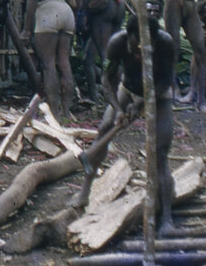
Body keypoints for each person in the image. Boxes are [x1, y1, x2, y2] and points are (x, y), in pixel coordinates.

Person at [73, 14, 178, 233]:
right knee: (105, 128)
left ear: (155, 42)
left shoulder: (166, 44)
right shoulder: (116, 43)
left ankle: (167, 217)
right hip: (127, 89)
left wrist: (142, 104)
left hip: (159, 94)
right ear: (128, 38)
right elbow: (107, 79)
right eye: (134, 50)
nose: (138, 56)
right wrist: (120, 109)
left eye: (144, 52)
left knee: (160, 151)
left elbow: (167, 79)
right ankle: (84, 192)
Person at [161, 0, 206, 101]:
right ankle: (173, 92)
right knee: (173, 48)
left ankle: (197, 97)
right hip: (175, 0)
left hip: (190, 3)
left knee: (201, 49)